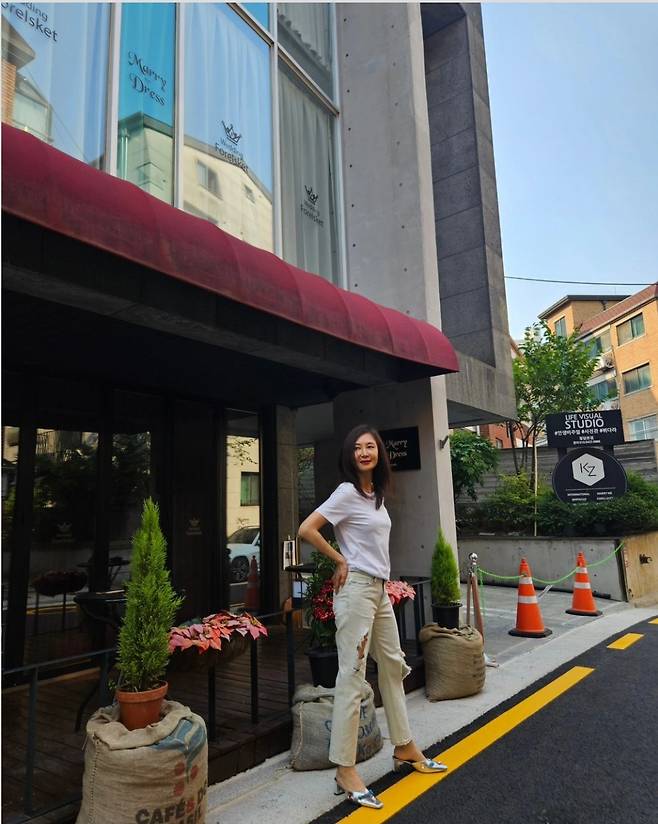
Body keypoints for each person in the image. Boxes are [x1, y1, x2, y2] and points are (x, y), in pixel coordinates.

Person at [298, 424, 447, 810]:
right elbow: (307, 529)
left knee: (393, 666)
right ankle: (345, 769)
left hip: (379, 590)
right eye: (357, 448)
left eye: (370, 447)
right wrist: (339, 559)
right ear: (350, 456)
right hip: (356, 590)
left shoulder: (376, 496)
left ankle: (405, 746)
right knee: (352, 675)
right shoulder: (346, 492)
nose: (364, 452)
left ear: (379, 453)